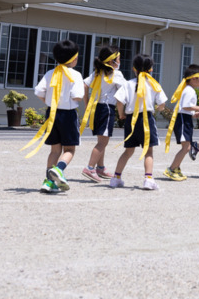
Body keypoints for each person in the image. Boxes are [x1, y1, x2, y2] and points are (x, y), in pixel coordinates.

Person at [25, 40, 85, 193]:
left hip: (51, 114)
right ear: (73, 59)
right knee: (70, 149)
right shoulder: (76, 75)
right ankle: (59, 170)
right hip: (68, 115)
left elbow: (39, 92)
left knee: (54, 150)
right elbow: (78, 96)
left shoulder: (49, 73)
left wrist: (50, 101)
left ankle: (49, 182)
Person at [108, 54, 167, 190]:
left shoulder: (128, 84)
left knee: (128, 151)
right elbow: (162, 103)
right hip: (146, 119)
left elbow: (119, 100)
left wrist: (121, 114)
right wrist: (159, 108)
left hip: (131, 119)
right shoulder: (153, 83)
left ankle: (116, 178)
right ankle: (148, 179)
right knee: (148, 151)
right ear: (150, 69)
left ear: (134, 69)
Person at [79, 44, 128, 182]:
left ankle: (100, 167)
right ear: (112, 61)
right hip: (107, 109)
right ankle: (90, 167)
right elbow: (126, 90)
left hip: (97, 108)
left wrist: (87, 102)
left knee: (101, 141)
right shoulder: (116, 73)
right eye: (118, 59)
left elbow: (85, 84)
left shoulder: (97, 72)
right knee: (103, 142)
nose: (120, 61)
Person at [164, 64, 199, 181]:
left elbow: (185, 108)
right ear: (193, 78)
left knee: (186, 147)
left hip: (185, 119)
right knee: (186, 147)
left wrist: (193, 114)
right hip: (183, 120)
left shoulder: (189, 90)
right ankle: (172, 169)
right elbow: (186, 106)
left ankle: (176, 168)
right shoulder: (189, 91)